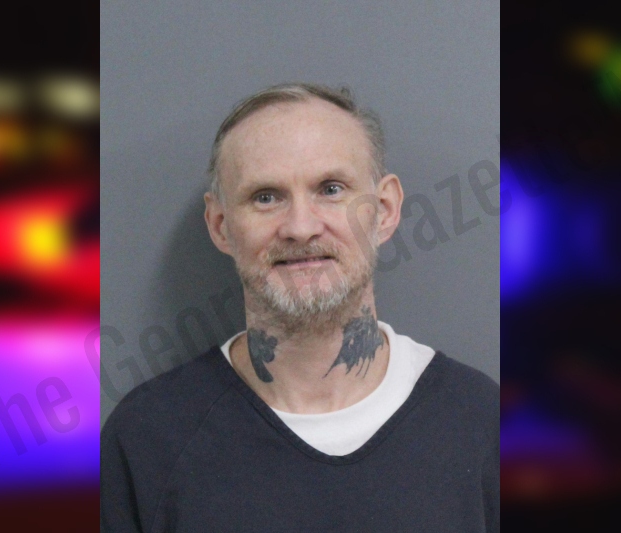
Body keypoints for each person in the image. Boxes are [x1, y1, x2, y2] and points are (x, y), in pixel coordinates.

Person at [101, 83, 499, 532]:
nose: (301, 227)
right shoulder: (147, 439)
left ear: (385, 210)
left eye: (331, 189)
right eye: (266, 197)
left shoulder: (484, 426)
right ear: (221, 225)